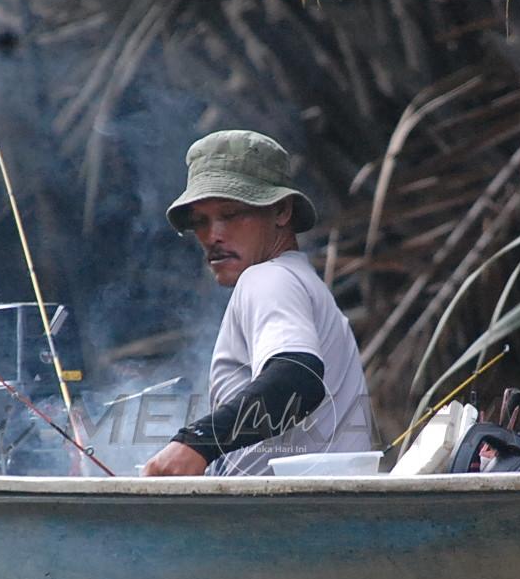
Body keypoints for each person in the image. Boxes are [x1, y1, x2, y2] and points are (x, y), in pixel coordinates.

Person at [141, 130, 374, 476]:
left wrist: (196, 443)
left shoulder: (267, 278)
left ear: (281, 210)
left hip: (289, 510)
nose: (212, 236)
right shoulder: (300, 281)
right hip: (319, 505)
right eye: (200, 222)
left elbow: (298, 377)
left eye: (230, 214)